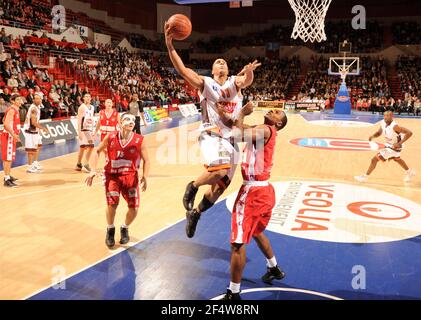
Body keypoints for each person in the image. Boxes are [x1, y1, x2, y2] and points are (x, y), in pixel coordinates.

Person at [165, 21, 261, 238]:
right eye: (218, 62)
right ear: (213, 70)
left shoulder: (235, 84)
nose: (221, 63)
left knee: (220, 187)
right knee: (217, 171)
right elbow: (182, 70)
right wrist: (170, 46)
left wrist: (248, 72)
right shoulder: (206, 83)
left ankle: (196, 214)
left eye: (224, 62)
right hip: (212, 133)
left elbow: (246, 81)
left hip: (234, 139)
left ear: (227, 70)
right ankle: (192, 186)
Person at [222, 108, 288, 300]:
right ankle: (273, 267)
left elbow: (237, 134)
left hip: (253, 192)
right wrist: (226, 115)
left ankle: (234, 293)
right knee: (256, 232)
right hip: (264, 190)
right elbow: (239, 126)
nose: (272, 109)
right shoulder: (263, 129)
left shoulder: (266, 130)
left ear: (278, 124)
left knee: (237, 243)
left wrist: (242, 112)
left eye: (277, 112)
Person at [85, 113, 150, 248]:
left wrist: (145, 175)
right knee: (112, 205)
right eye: (127, 119)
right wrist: (93, 170)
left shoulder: (139, 140)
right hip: (112, 176)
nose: (131, 122)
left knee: (134, 208)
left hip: (130, 177)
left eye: (133, 120)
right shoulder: (111, 136)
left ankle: (124, 227)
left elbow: (147, 160)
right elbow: (97, 151)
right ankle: (110, 229)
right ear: (120, 123)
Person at [354, 110, 416, 183]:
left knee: (374, 160)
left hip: (395, 147)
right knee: (397, 159)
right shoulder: (383, 122)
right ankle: (409, 172)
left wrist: (399, 143)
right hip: (388, 145)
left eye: (387, 116)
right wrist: (373, 136)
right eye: (384, 115)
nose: (385, 117)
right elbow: (379, 132)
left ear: (392, 116)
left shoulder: (395, 126)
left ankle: (365, 177)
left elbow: (409, 133)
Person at [1, 94, 23, 187]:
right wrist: (13, 134)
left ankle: (8, 175)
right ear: (13, 101)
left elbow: (3, 120)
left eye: (20, 99)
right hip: (9, 136)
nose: (20, 101)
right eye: (17, 99)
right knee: (8, 159)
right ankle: (6, 179)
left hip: (10, 135)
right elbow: (5, 124)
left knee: (9, 158)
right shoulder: (12, 110)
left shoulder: (15, 110)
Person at [23, 94, 46, 173]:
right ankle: (29, 167)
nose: (38, 100)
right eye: (36, 99)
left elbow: (36, 121)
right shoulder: (33, 109)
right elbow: (33, 122)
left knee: (38, 146)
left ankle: (35, 163)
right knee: (31, 149)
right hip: (30, 130)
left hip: (35, 130)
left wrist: (39, 130)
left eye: (39, 99)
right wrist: (43, 128)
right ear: (33, 100)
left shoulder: (37, 107)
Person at [76, 93, 95, 172]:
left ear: (91, 98)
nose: (87, 98)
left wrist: (93, 130)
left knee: (82, 147)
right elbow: (79, 120)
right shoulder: (82, 107)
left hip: (89, 129)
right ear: (83, 98)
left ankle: (79, 164)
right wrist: (79, 132)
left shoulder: (92, 107)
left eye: (89, 96)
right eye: (86, 97)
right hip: (84, 129)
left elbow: (91, 118)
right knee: (91, 146)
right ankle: (86, 165)